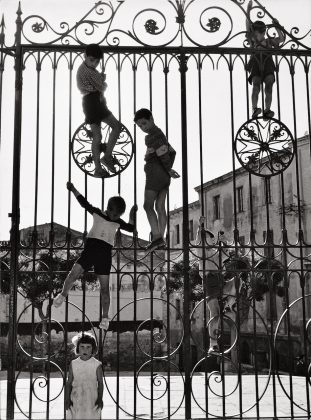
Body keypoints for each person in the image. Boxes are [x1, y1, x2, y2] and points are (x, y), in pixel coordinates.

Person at [53, 182, 137, 330]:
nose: (116, 217)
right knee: (73, 274)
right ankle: (62, 295)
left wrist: (132, 212)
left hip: (104, 256)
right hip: (89, 252)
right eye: (115, 214)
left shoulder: (117, 221)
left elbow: (130, 227)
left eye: (119, 216)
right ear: (109, 209)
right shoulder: (97, 213)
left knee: (105, 289)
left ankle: (105, 319)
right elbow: (84, 203)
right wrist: (73, 189)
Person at [134, 108, 180, 252]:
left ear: (151, 118)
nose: (143, 128)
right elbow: (171, 151)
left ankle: (157, 237)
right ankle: (161, 240)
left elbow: (163, 153)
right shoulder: (160, 134)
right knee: (160, 207)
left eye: (144, 123)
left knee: (147, 206)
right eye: (139, 126)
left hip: (155, 173)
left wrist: (167, 168)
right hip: (164, 177)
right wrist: (168, 170)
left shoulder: (151, 136)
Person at [76, 43, 123, 177]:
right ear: (85, 56)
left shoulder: (82, 68)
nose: (94, 64)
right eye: (92, 60)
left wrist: (99, 82)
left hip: (89, 102)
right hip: (94, 102)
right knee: (116, 126)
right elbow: (102, 87)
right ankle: (107, 157)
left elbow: (96, 85)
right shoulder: (89, 71)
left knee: (97, 136)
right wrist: (103, 81)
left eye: (97, 61)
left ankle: (98, 168)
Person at [246, 0, 285, 119]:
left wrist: (277, 26)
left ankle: (267, 110)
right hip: (256, 64)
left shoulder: (268, 41)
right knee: (256, 86)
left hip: (268, 64)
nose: (254, 36)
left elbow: (282, 39)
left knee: (268, 87)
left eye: (257, 33)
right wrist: (248, 11)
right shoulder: (253, 42)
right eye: (253, 34)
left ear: (262, 32)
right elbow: (247, 25)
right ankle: (254, 108)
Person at [65, 332, 103, 419]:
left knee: (91, 416)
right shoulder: (73, 364)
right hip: (76, 397)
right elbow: (69, 382)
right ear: (78, 348)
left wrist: (100, 398)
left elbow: (100, 383)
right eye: (82, 347)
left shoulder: (96, 364)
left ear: (93, 349)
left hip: (91, 398)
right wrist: (67, 399)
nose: (85, 350)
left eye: (88, 347)